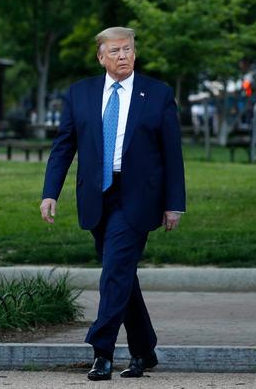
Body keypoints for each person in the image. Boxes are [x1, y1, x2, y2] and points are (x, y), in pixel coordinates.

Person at [39, 26, 186, 381]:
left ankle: (101, 350)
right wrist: (50, 192)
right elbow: (64, 147)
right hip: (97, 195)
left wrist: (174, 203)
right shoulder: (80, 94)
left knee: (114, 271)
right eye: (116, 51)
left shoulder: (158, 93)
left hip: (138, 197)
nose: (124, 56)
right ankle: (144, 350)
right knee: (122, 275)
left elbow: (172, 154)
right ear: (101, 57)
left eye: (129, 50)